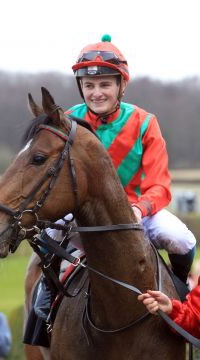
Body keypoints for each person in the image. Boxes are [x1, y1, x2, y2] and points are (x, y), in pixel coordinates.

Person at [29, 34, 196, 322]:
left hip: (138, 211)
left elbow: (159, 184)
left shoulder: (145, 122)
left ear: (121, 86)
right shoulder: (68, 122)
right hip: (82, 213)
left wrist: (139, 209)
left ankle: (180, 289)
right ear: (81, 87)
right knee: (49, 235)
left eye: (105, 84)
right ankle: (47, 288)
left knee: (181, 238)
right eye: (89, 85)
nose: (97, 93)